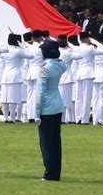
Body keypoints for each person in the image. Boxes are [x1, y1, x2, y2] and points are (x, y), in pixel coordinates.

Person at [34, 39, 67, 181]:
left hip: (47, 107)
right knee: (55, 142)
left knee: (46, 143)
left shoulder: (45, 68)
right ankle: (55, 171)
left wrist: (36, 112)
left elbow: (40, 92)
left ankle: (50, 173)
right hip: (57, 104)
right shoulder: (60, 65)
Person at [75, 32, 103, 124]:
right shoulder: (90, 48)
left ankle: (78, 117)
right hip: (88, 74)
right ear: (87, 39)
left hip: (79, 74)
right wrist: (95, 42)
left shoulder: (77, 48)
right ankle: (85, 119)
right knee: (86, 97)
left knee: (79, 97)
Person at [0, 34, 33, 123]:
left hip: (5, 75)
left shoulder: (4, 51)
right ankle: (12, 118)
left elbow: (2, 65)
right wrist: (23, 46)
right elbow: (30, 55)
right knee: (12, 98)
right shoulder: (17, 51)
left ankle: (6, 117)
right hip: (15, 76)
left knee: (5, 98)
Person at [57, 34, 81, 123]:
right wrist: (71, 45)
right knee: (67, 100)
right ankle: (69, 119)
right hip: (67, 77)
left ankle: (65, 119)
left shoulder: (56, 52)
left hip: (58, 77)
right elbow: (80, 55)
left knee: (62, 99)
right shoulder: (67, 53)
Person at [25, 30, 44, 122]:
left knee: (30, 95)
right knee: (37, 94)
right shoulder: (42, 47)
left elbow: (26, 64)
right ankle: (36, 115)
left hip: (30, 72)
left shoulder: (28, 48)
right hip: (39, 72)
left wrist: (25, 75)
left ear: (32, 38)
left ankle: (30, 116)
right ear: (40, 37)